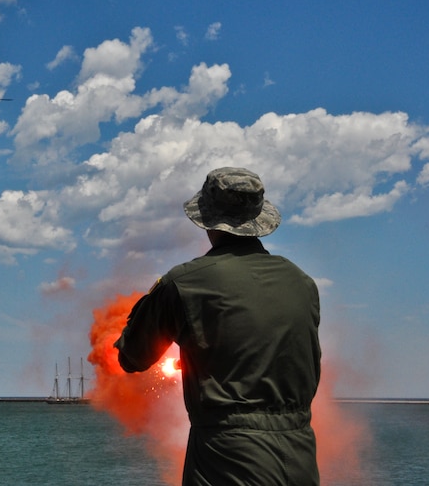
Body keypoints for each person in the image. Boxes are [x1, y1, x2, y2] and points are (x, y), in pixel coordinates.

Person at [114, 167, 321, 486]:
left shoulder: (185, 283)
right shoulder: (302, 282)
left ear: (207, 220)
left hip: (225, 463)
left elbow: (133, 357)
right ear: (258, 219)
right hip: (299, 460)